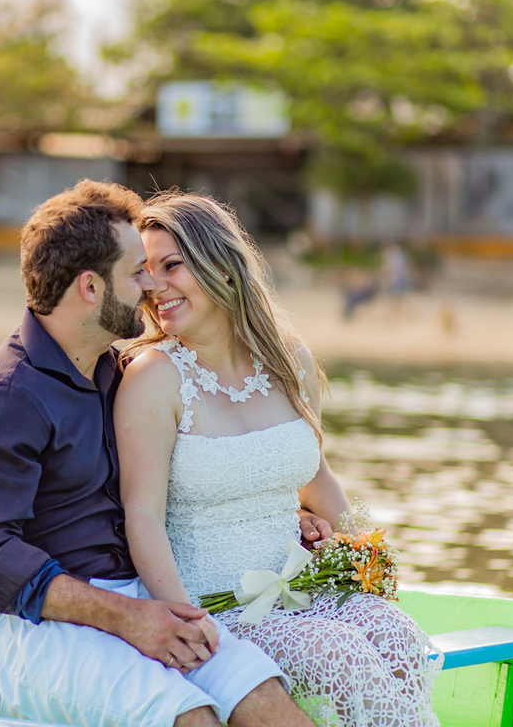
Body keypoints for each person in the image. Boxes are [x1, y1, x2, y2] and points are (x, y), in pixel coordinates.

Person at [0, 180, 315, 727]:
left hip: (133, 602)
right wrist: (128, 617)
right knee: (191, 718)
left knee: (268, 705)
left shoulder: (116, 372)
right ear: (91, 288)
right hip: (17, 630)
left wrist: (291, 514)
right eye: (137, 271)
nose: (150, 287)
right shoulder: (6, 397)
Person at [116, 192, 442, 727]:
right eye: (146, 273)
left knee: (398, 636)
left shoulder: (291, 358)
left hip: (301, 584)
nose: (155, 286)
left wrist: (361, 557)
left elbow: (315, 475)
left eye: (171, 265)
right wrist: (184, 622)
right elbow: (142, 515)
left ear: (220, 261)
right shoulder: (153, 378)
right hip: (219, 606)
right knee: (346, 657)